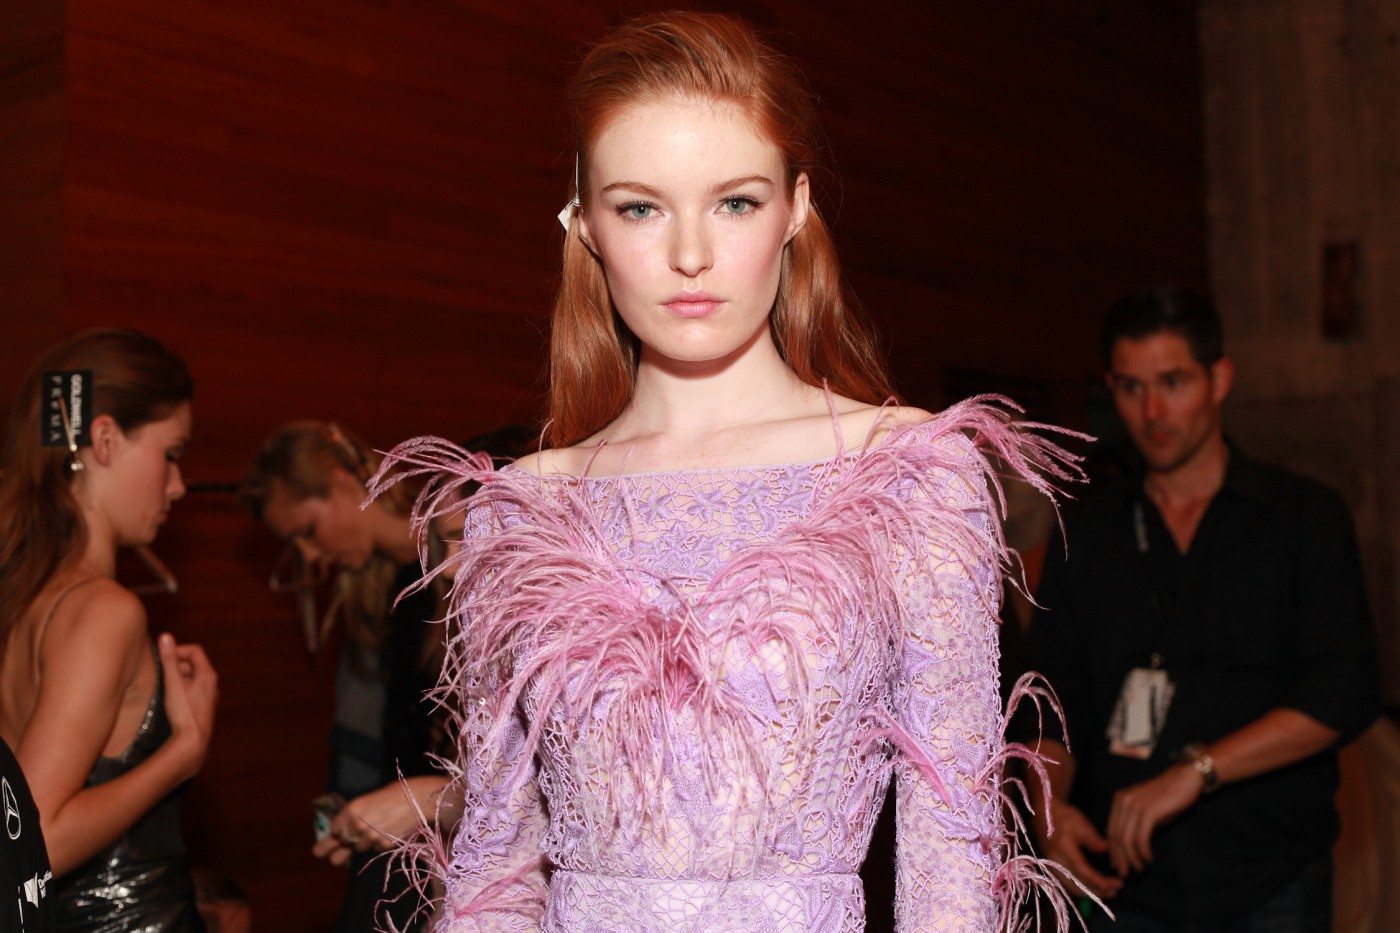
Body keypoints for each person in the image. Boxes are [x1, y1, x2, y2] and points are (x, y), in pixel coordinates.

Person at [370, 13, 1088, 931]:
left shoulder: (905, 476)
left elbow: (952, 848)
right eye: (640, 207)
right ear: (584, 226)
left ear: (796, 207)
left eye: (735, 202)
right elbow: (496, 862)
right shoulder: (525, 511)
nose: (690, 255)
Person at [1027, 286, 1379, 930]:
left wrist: (1198, 771)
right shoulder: (1089, 530)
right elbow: (1051, 698)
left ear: (1219, 379)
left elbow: (1343, 691)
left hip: (1267, 879)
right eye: (1131, 388)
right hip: (1122, 883)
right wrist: (1050, 811)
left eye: (1173, 382)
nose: (1153, 411)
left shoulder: (1301, 518)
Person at [240, 422, 531, 930]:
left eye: (307, 531)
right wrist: (373, 811)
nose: (309, 555)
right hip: (439, 828)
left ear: (342, 484)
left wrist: (425, 799)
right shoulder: (376, 595)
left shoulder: (471, 585)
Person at [0, 329, 219, 931]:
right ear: (104, 440)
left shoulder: (22, 597)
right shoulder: (104, 610)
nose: (178, 485)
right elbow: (34, 842)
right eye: (171, 453)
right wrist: (180, 754)